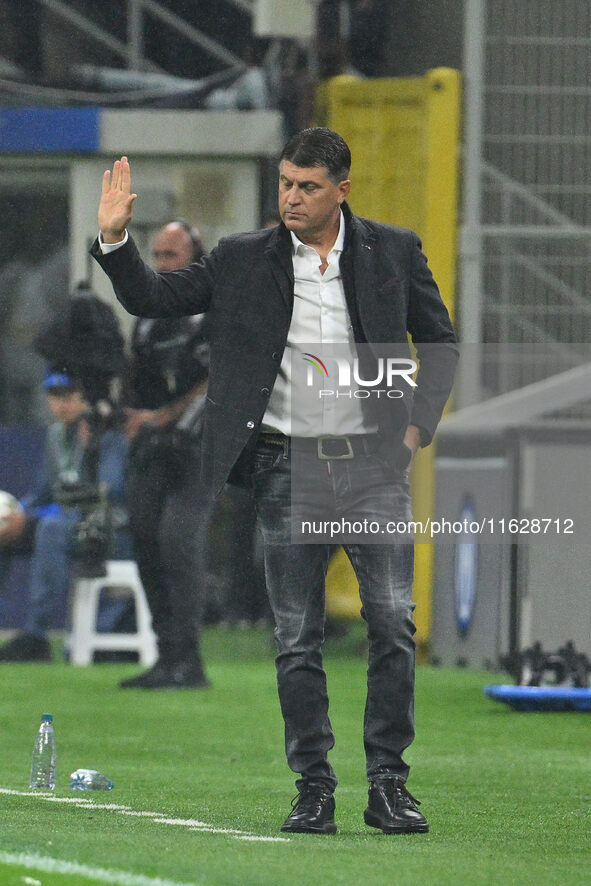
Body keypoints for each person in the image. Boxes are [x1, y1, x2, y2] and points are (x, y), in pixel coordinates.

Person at [91, 127, 458, 835]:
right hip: (287, 466)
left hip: (374, 467)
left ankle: (388, 784)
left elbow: (437, 338)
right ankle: (312, 788)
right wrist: (114, 242)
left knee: (392, 622)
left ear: (341, 191)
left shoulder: (394, 250)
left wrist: (416, 427)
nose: (291, 196)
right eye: (286, 183)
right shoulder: (240, 258)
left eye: (307, 186)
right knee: (296, 636)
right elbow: (151, 299)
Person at [120, 219, 212, 689]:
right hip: (153, 447)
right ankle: (165, 655)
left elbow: (215, 381)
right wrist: (131, 414)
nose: (161, 265)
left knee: (178, 542)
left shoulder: (213, 311)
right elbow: (134, 375)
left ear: (194, 259)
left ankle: (190, 661)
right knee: (144, 537)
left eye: (170, 256)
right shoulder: (149, 318)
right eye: (156, 256)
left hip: (197, 446)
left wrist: (160, 416)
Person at [0, 372, 130, 661]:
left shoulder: (107, 435)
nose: (63, 405)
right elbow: (44, 491)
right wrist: (16, 513)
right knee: (5, 530)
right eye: (56, 397)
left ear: (84, 399)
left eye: (70, 396)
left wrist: (91, 450)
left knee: (50, 528)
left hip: (107, 528)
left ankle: (36, 634)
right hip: (64, 521)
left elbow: (109, 492)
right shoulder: (55, 435)